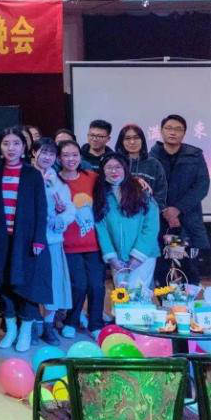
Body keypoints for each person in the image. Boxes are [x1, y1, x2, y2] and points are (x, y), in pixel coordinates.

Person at [0, 128, 51, 353]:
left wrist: (38, 239)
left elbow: (41, 208)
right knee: (3, 283)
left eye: (16, 143)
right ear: (0, 147)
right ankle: (11, 330)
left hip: (26, 241)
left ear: (24, 147)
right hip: (1, 240)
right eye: (6, 143)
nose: (11, 148)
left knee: (27, 285)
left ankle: (25, 330)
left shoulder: (32, 174)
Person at [150, 114, 210, 286]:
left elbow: (202, 185)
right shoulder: (151, 157)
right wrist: (165, 210)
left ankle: (186, 301)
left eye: (178, 129)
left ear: (184, 133)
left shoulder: (194, 155)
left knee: (187, 267)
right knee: (161, 268)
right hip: (160, 222)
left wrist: (177, 209)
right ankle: (165, 301)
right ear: (161, 131)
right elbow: (148, 188)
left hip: (186, 222)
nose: (173, 132)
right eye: (168, 128)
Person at [93, 153, 160, 292]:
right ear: (103, 171)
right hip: (118, 258)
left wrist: (137, 257)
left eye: (118, 167)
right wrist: (112, 258)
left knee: (138, 294)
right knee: (122, 296)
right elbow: (101, 229)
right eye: (109, 167)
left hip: (144, 255)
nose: (114, 171)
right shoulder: (101, 196)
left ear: (125, 168)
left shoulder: (141, 191)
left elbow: (151, 227)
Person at [58, 139, 104, 339]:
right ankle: (72, 320)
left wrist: (138, 181)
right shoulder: (54, 180)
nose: (71, 159)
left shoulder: (91, 177)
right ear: (59, 158)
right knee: (78, 285)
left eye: (75, 155)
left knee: (97, 286)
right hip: (68, 245)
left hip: (94, 244)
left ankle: (96, 323)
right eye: (66, 155)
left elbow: (116, 180)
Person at [32, 138, 74, 345]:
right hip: (29, 241)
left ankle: (48, 324)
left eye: (51, 153)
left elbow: (69, 210)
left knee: (53, 285)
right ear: (34, 153)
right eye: (43, 152)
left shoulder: (58, 182)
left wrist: (60, 218)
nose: (47, 157)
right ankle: (32, 323)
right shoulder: (26, 175)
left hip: (52, 241)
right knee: (31, 284)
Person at [115, 124, 168, 209]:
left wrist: (151, 212)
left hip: (147, 214)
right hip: (117, 214)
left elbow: (160, 196)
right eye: (127, 138)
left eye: (136, 138)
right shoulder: (115, 163)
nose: (132, 142)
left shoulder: (154, 164)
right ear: (121, 141)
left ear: (142, 140)